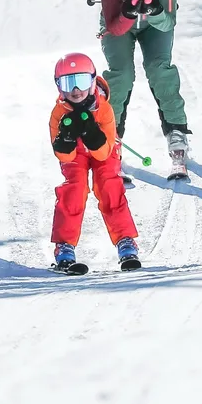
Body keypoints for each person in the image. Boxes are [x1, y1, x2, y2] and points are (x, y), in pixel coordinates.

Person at [99, 0, 191, 175]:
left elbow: (169, 22)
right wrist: (128, 12)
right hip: (121, 26)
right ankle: (111, 138)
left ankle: (176, 133)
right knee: (121, 75)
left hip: (154, 26)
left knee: (160, 69)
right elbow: (114, 27)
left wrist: (155, 11)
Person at [49, 53, 140, 271]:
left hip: (103, 150)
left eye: (80, 82)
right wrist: (67, 139)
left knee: (108, 184)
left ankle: (125, 241)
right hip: (76, 153)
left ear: (91, 81)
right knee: (75, 187)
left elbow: (103, 153)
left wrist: (92, 133)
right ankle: (65, 246)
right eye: (68, 83)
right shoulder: (58, 114)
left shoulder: (104, 109)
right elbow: (64, 157)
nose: (75, 91)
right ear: (59, 86)